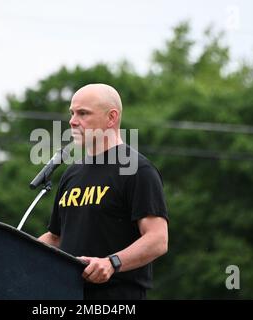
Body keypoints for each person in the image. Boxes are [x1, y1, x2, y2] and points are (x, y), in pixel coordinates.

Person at [38, 83, 168, 300]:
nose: (72, 121)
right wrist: (12, 251)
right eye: (72, 113)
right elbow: (56, 237)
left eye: (83, 113)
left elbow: (157, 238)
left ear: (111, 118)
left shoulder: (137, 170)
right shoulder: (71, 173)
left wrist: (111, 263)